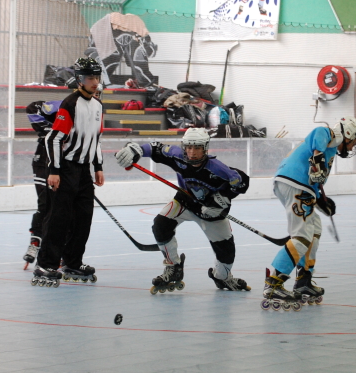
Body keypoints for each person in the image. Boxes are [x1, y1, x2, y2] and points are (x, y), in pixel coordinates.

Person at [114, 128, 251, 294]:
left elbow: (242, 182)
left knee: (227, 251)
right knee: (160, 225)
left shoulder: (218, 169)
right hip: (185, 201)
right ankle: (174, 267)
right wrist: (135, 149)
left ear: (205, 148)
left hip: (210, 211)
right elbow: (155, 148)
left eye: (197, 148)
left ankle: (222, 277)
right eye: (189, 147)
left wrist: (223, 199)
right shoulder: (177, 155)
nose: (192, 153)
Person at [264, 116, 356, 309]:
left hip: (300, 187)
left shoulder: (331, 148)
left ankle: (304, 279)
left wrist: (321, 201)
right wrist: (318, 157)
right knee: (302, 236)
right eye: (353, 142)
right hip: (295, 184)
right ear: (349, 134)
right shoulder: (330, 135)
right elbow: (319, 134)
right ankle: (274, 283)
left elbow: (316, 178)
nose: (352, 148)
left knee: (315, 228)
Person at [32, 57, 105, 287]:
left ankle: (73, 261)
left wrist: (98, 166)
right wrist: (54, 170)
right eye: (89, 78)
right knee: (58, 219)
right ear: (80, 80)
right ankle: (46, 264)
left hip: (84, 171)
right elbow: (54, 138)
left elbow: (96, 139)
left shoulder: (98, 105)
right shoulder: (70, 104)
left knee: (84, 218)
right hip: (65, 169)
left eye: (96, 77)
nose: (94, 82)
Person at [21, 100, 61, 268]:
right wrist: (50, 131)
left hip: (65, 163)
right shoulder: (62, 105)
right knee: (45, 203)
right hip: (43, 161)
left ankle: (58, 251)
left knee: (63, 208)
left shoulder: (91, 113)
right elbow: (31, 107)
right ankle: (35, 242)